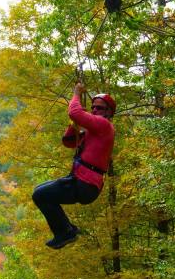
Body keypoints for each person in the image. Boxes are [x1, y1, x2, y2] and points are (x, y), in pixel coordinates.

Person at [32, 83, 115, 249]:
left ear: (108, 112)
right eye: (93, 108)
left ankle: (65, 232)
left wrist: (76, 93)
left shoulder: (105, 126)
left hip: (86, 184)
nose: (95, 110)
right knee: (39, 192)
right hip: (81, 181)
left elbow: (74, 112)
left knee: (41, 195)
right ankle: (66, 229)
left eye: (99, 108)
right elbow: (69, 142)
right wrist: (74, 125)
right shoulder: (93, 131)